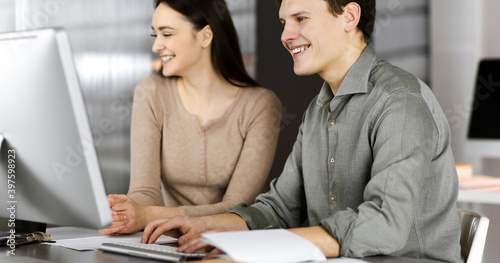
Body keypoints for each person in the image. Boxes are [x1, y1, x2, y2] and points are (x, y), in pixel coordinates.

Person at [139, 0, 463, 262]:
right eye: (284, 22)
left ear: (349, 16)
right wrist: (205, 226)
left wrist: (260, 248)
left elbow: (384, 226)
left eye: (301, 18)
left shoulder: (398, 102)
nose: (286, 34)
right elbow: (279, 208)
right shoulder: (319, 111)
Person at [98, 0, 282, 236]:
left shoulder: (261, 104)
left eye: (167, 34)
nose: (156, 46)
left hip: (233, 242)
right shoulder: (151, 92)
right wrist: (126, 213)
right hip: (170, 238)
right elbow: (144, 193)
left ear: (205, 36)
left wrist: (149, 216)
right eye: (155, 35)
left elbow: (236, 209)